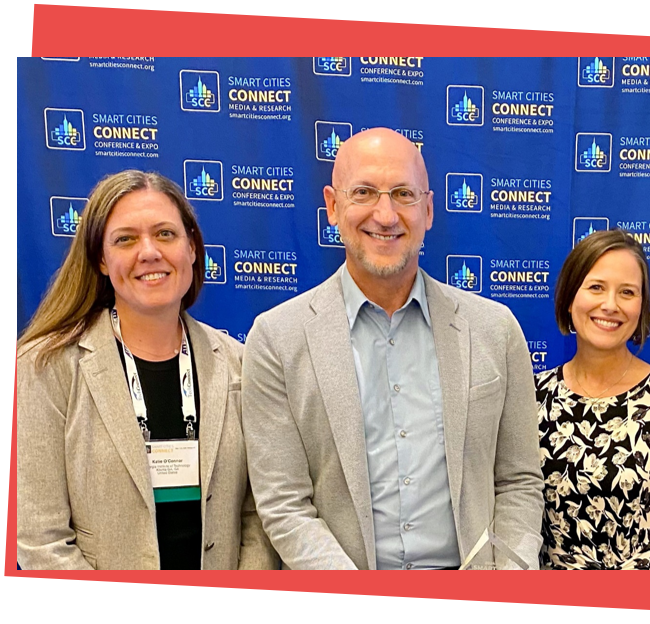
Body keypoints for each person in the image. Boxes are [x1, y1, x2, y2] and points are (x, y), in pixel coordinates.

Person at [241, 127, 544, 570]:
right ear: (332, 206)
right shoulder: (277, 339)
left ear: (428, 210)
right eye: (364, 192)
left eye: (403, 194)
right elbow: (284, 504)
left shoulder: (494, 330)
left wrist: (506, 585)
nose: (385, 216)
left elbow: (518, 482)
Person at [16, 170, 278, 570]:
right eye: (126, 239)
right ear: (101, 259)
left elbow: (259, 515)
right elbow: (40, 539)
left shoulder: (239, 364)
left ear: (192, 248)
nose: (149, 252)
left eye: (165, 234)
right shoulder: (46, 366)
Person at [536, 230, 650, 569]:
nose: (610, 305)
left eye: (627, 292)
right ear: (569, 297)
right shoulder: (531, 398)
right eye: (596, 287)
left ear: (642, 307)